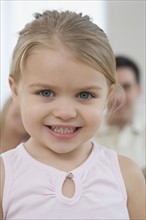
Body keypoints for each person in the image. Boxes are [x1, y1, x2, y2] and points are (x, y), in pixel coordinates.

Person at [0, 10, 145, 220]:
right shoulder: (4, 177)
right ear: (15, 91)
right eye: (46, 92)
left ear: (108, 96)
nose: (65, 113)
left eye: (84, 95)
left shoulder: (127, 176)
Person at [94, 56, 145, 173]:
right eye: (112, 89)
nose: (118, 97)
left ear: (138, 90)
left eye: (126, 87)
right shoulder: (87, 135)